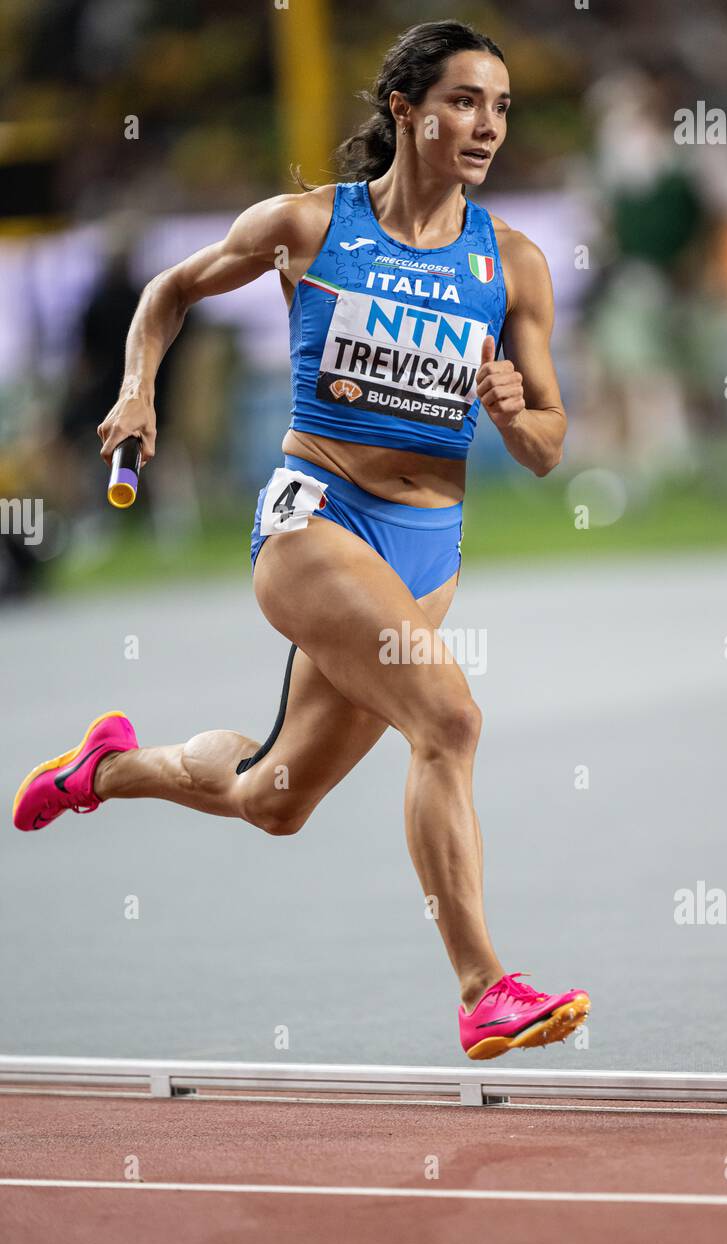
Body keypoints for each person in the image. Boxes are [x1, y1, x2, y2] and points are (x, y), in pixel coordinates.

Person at [12, 21, 590, 1061]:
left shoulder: (511, 264)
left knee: (272, 798)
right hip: (312, 523)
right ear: (405, 109)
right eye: (464, 100)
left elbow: (548, 444)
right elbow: (168, 291)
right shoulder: (310, 227)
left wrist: (513, 411)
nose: (487, 125)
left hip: (427, 549)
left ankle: (109, 768)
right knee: (448, 721)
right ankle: (481, 988)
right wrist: (138, 391)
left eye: (500, 107)